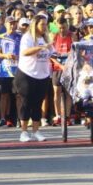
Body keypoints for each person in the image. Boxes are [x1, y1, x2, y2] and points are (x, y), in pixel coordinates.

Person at [15, 15, 53, 143]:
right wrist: (40, 48)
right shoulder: (28, 37)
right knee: (26, 103)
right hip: (27, 74)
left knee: (38, 103)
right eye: (42, 24)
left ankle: (36, 131)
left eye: (46, 24)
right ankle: (24, 132)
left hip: (42, 75)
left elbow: (52, 53)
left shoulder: (45, 38)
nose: (44, 27)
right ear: (35, 25)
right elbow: (25, 52)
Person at [0, 16, 21, 127]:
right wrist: (6, 55)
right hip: (5, 71)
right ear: (5, 24)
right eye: (10, 23)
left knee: (18, 95)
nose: (12, 25)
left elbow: (24, 52)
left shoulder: (20, 36)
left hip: (17, 70)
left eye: (14, 23)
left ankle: (20, 118)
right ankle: (2, 118)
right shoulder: (0, 37)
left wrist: (18, 57)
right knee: (4, 94)